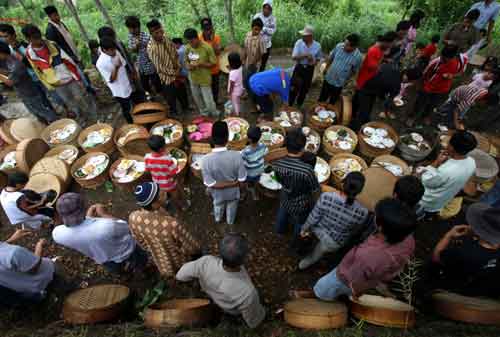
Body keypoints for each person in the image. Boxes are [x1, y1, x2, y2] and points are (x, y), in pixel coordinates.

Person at [312, 198, 416, 301]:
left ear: (380, 227)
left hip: (344, 279)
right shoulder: (409, 240)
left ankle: (319, 297)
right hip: (372, 279)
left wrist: (355, 288)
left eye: (376, 215)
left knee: (325, 289)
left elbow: (351, 278)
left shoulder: (367, 256)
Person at [176, 233, 266, 328]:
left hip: (211, 296)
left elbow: (180, 275)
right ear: (244, 259)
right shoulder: (248, 292)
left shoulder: (206, 262)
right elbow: (254, 321)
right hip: (231, 311)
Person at [53, 193, 146, 274]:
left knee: (117, 270)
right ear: (84, 207)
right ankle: (142, 271)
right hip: (126, 251)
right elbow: (126, 228)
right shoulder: (107, 226)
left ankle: (125, 275)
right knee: (139, 261)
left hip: (103, 259)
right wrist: (103, 214)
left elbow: (83, 231)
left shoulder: (57, 234)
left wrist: (89, 216)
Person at [22, 24, 96, 123]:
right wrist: (49, 85)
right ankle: (81, 118)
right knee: (69, 102)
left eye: (39, 36)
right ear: (28, 39)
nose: (39, 40)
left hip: (69, 78)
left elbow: (68, 60)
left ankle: (92, 116)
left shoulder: (52, 44)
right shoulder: (29, 53)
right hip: (56, 84)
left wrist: (77, 77)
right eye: (35, 38)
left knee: (81, 97)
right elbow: (37, 71)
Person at [298, 172, 370, 270]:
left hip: (318, 231)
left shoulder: (327, 197)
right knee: (317, 254)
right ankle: (302, 265)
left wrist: (304, 229)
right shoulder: (363, 212)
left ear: (343, 183)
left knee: (311, 245)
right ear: (360, 191)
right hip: (334, 242)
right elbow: (353, 231)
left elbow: (313, 217)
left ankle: (302, 262)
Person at [129, 182, 201, 279]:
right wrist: (197, 251)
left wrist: (155, 248)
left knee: (174, 273)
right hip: (179, 259)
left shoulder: (133, 217)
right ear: (154, 204)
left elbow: (141, 242)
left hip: (161, 260)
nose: (165, 193)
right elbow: (190, 246)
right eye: (161, 194)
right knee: (186, 271)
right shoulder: (171, 225)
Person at [431, 203, 500, 297]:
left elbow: (436, 257)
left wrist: (448, 236)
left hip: (451, 288)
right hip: (477, 293)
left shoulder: (463, 252)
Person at [272, 129, 320, 246]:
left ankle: (279, 231)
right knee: (300, 222)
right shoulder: (307, 170)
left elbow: (278, 179)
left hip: (285, 197)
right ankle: (295, 240)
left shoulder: (278, 163)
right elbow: (315, 190)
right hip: (301, 204)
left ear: (286, 146)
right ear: (303, 148)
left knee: (283, 212)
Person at [418, 131, 477, 218]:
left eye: (449, 142)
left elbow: (425, 181)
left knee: (415, 215)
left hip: (426, 202)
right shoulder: (472, 162)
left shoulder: (446, 171)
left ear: (452, 147)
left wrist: (436, 162)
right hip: (440, 203)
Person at [201, 121, 247, 226]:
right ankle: (230, 221)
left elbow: (210, 184)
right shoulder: (237, 156)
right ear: (227, 138)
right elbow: (242, 180)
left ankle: (218, 218)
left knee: (218, 205)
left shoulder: (205, 160)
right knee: (232, 206)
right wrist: (236, 186)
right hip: (233, 193)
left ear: (212, 138)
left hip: (217, 194)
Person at [0, 41, 58, 123]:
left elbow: (10, 82)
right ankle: (49, 125)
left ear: (2, 52)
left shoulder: (16, 65)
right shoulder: (9, 60)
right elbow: (9, 73)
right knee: (37, 112)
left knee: (44, 112)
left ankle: (58, 124)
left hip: (30, 93)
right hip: (24, 92)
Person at [412, 44, 467, 126]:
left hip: (442, 89)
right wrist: (420, 85)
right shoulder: (436, 61)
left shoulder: (460, 61)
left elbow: (460, 72)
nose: (444, 59)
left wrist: (452, 76)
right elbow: (425, 73)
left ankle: (425, 116)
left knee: (433, 104)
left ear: (453, 56)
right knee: (420, 102)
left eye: (447, 59)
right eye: (443, 57)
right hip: (429, 86)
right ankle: (412, 116)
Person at [43, 6, 94, 94]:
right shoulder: (50, 30)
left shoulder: (61, 24)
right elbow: (54, 49)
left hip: (74, 53)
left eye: (57, 14)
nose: (57, 17)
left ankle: (90, 87)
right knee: (79, 75)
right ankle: (88, 91)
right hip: (68, 57)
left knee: (83, 72)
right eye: (55, 15)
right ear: (50, 17)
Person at [0, 230, 54, 306]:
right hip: (41, 281)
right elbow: (35, 268)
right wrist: (39, 246)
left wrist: (10, 240)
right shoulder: (14, 253)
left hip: (23, 288)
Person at [355, 64, 421, 124]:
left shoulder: (392, 67)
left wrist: (382, 96)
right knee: (363, 113)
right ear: (407, 79)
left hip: (367, 83)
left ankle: (363, 120)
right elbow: (388, 102)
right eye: (410, 81)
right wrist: (386, 110)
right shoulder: (396, 85)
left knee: (364, 109)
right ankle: (355, 127)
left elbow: (382, 71)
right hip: (368, 91)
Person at [96, 37, 136, 123]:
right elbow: (111, 80)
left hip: (127, 84)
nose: (114, 52)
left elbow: (124, 64)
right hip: (119, 91)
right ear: (104, 50)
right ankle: (131, 124)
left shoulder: (116, 52)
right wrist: (116, 67)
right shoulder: (100, 63)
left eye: (114, 49)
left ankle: (138, 119)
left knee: (133, 104)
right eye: (111, 50)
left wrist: (131, 76)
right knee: (126, 109)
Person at [144, 135, 188, 212]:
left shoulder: (147, 157)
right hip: (168, 183)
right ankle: (180, 207)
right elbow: (173, 173)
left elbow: (147, 170)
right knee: (175, 195)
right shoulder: (167, 159)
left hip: (157, 183)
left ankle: (165, 204)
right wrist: (176, 179)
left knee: (162, 194)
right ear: (162, 148)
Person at [146, 19, 181, 115]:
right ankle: (174, 113)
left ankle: (185, 107)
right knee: (171, 96)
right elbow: (159, 68)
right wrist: (174, 73)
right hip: (166, 77)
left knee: (182, 91)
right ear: (151, 33)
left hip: (176, 69)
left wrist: (178, 66)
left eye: (161, 31)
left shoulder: (166, 38)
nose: (160, 35)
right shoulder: (151, 48)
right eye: (156, 33)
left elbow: (174, 52)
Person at [319, 34, 362, 105]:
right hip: (329, 77)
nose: (344, 46)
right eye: (345, 43)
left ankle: (328, 113)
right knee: (322, 98)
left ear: (354, 47)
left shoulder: (358, 57)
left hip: (339, 83)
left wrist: (347, 81)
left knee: (332, 101)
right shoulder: (339, 46)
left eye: (347, 45)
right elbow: (331, 58)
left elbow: (354, 71)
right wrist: (326, 68)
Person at [125, 15, 162, 97]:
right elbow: (132, 50)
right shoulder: (130, 37)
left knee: (156, 81)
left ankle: (160, 93)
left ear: (138, 27)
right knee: (144, 84)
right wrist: (136, 46)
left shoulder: (146, 35)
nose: (131, 30)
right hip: (141, 65)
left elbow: (154, 48)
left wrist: (147, 46)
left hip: (151, 64)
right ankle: (151, 95)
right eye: (129, 28)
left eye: (133, 28)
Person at [184, 28, 218, 116]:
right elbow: (186, 60)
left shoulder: (207, 47)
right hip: (193, 78)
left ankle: (214, 113)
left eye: (191, 41)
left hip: (204, 78)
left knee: (208, 100)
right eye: (188, 42)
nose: (190, 44)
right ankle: (204, 113)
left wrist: (201, 64)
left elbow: (214, 63)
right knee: (197, 98)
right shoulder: (188, 47)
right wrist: (188, 66)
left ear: (196, 38)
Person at [289, 25, 322, 107]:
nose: (302, 37)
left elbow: (318, 59)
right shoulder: (299, 43)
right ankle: (290, 104)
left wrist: (313, 62)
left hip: (309, 69)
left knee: (305, 88)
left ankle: (299, 104)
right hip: (299, 67)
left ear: (310, 36)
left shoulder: (317, 46)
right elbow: (293, 57)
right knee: (294, 87)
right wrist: (305, 55)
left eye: (304, 35)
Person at [241, 126, 268, 200]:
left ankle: (243, 194)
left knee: (243, 182)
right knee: (256, 183)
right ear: (260, 137)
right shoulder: (263, 146)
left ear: (249, 139)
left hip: (248, 172)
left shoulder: (245, 151)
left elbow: (241, 158)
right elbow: (266, 152)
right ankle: (255, 195)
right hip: (259, 171)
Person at [199, 18, 222, 103]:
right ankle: (209, 103)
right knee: (206, 88)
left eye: (209, 29)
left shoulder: (216, 38)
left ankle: (215, 101)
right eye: (206, 29)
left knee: (215, 87)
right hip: (204, 69)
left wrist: (212, 40)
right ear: (202, 29)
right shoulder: (199, 38)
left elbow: (218, 52)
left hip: (215, 68)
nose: (208, 31)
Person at [243, 18, 266, 90]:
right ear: (252, 27)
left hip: (255, 64)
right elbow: (245, 48)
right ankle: (247, 90)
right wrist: (244, 59)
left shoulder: (261, 39)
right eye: (255, 29)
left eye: (259, 30)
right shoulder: (248, 35)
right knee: (246, 77)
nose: (257, 31)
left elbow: (261, 53)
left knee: (252, 78)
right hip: (247, 61)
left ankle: (252, 92)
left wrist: (253, 62)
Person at [254, 0, 276, 72]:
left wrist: (263, 29)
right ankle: (253, 77)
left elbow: (273, 31)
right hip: (256, 44)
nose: (266, 10)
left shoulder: (273, 19)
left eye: (268, 8)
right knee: (255, 62)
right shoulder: (257, 16)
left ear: (271, 10)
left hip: (267, 45)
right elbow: (254, 29)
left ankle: (260, 76)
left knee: (263, 63)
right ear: (262, 8)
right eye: (265, 8)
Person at [172, 37, 190, 111]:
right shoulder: (185, 47)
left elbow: (178, 65)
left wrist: (176, 76)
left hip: (182, 73)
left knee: (180, 91)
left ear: (177, 44)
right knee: (183, 91)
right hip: (188, 71)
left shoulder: (179, 52)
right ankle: (186, 105)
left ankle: (184, 107)